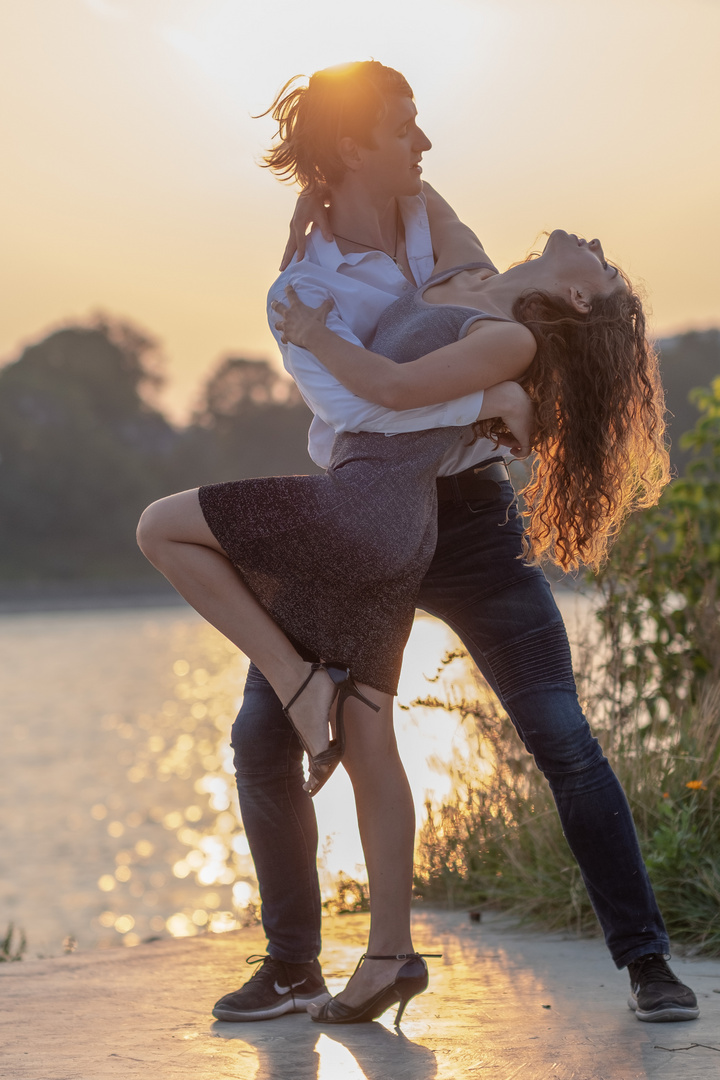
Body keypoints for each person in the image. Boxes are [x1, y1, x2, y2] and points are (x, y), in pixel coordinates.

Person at [144, 60, 699, 1027]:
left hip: (473, 526)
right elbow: (364, 405)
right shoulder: (301, 288)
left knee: (561, 734)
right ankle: (294, 965)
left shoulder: (425, 214)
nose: (427, 143)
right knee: (260, 739)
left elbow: (504, 300)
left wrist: (504, 392)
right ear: (357, 142)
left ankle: (647, 960)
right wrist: (484, 399)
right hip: (366, 519)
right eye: (404, 126)